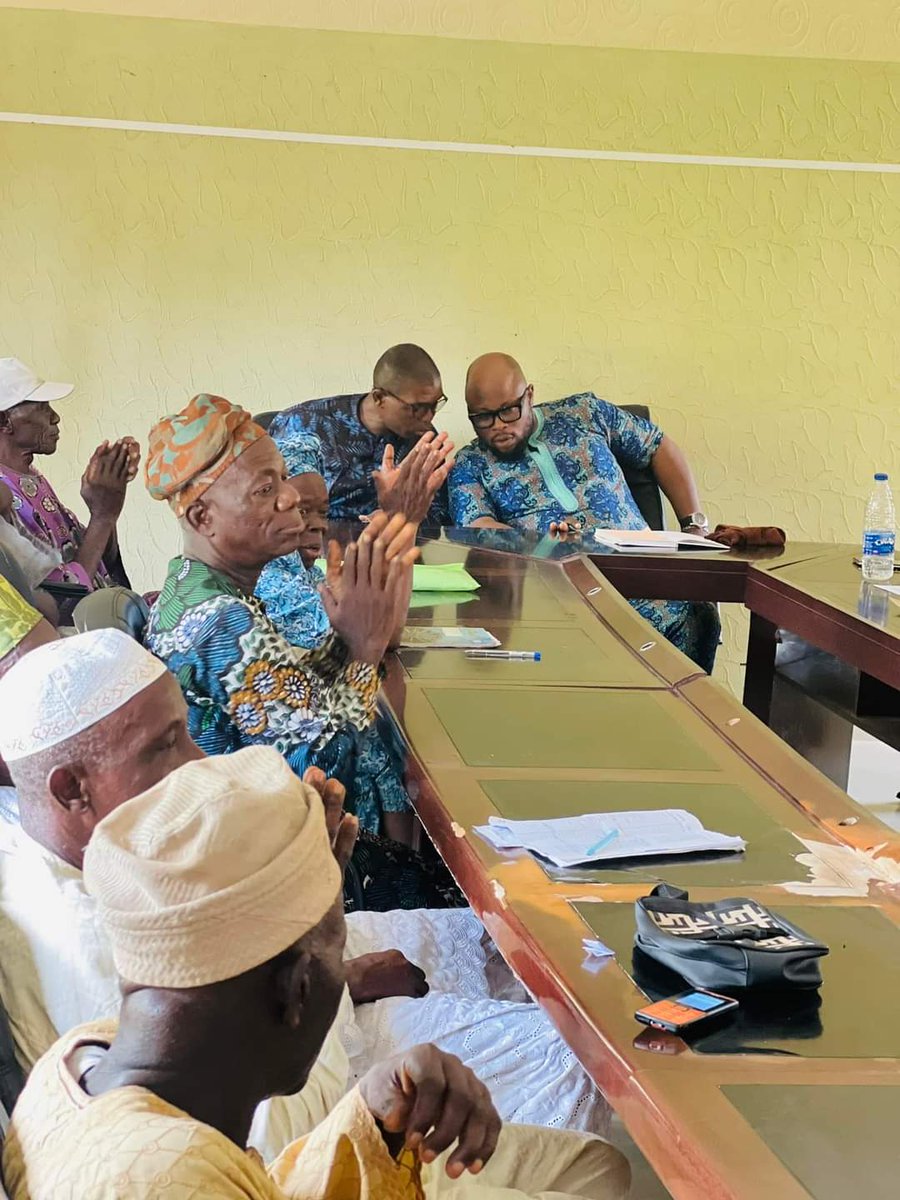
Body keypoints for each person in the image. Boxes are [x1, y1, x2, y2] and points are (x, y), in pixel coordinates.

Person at [0, 655, 629, 1199]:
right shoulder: (170, 1176)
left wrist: (373, 1116)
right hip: (276, 1123)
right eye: (166, 744)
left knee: (594, 1166)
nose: (197, 763)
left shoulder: (82, 1053)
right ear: (298, 992)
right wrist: (310, 914)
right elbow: (271, 1145)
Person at [449, 353, 721, 673]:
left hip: (652, 587)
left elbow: (657, 446)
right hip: (568, 602)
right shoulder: (469, 463)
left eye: (509, 411)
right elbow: (477, 526)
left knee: (694, 628)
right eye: (482, 417)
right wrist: (535, 542)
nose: (498, 427)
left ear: (530, 395)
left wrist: (693, 526)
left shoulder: (584, 413)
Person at [255, 428, 412, 841]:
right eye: (301, 510)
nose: (315, 528)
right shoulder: (272, 584)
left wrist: (401, 522)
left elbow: (383, 629)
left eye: (322, 512)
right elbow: (380, 637)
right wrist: (401, 520)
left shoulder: (303, 574)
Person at [268, 344, 453, 524]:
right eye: (418, 408)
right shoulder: (304, 424)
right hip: (318, 549)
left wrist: (396, 515)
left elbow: (439, 518)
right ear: (379, 397)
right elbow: (277, 510)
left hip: (394, 546)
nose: (429, 417)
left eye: (435, 404)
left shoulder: (424, 441)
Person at [0, 357, 140, 592]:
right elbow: (61, 599)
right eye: (42, 407)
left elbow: (100, 561)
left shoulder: (30, 477)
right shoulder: (3, 496)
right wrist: (103, 515)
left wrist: (107, 497)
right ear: (5, 421)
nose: (55, 417)